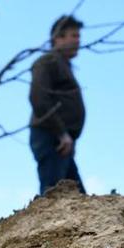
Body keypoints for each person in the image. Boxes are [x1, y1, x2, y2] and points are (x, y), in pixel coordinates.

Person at [29, 15, 87, 194]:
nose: (78, 41)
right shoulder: (48, 62)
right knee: (54, 195)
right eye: (74, 36)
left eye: (78, 36)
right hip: (51, 137)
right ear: (58, 38)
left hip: (63, 141)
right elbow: (39, 99)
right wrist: (61, 133)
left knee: (76, 198)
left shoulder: (63, 65)